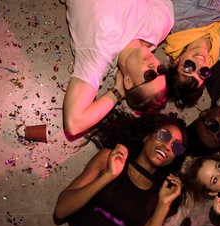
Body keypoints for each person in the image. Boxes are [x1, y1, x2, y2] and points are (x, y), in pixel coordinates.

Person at [11, 110, 187, 226]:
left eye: (176, 147)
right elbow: (61, 210)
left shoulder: (161, 195)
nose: (168, 146)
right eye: (164, 136)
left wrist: (164, 205)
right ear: (147, 136)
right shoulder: (109, 158)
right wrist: (108, 176)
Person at [61, 0, 174, 136]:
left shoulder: (99, 55)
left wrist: (118, 92)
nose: (154, 66)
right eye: (161, 70)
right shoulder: (161, 25)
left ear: (128, 82)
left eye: (150, 76)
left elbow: (74, 123)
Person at [164, 0, 220, 108]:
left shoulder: (177, 16)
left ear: (176, 61)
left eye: (188, 67)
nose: (200, 63)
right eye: (203, 73)